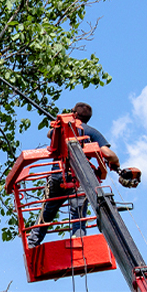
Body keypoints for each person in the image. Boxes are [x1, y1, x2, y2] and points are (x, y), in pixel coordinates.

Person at [27, 102, 120, 248]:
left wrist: (62, 124)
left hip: (59, 175)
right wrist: (116, 164)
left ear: (74, 114)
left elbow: (49, 133)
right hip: (80, 178)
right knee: (78, 212)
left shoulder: (61, 129)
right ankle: (79, 240)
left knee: (48, 211)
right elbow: (108, 153)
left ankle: (32, 243)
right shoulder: (92, 132)